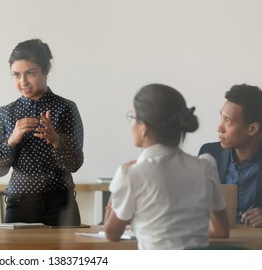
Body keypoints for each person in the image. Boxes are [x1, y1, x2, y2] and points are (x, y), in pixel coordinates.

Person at [104, 83, 229, 250]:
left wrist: (117, 191)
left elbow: (111, 234)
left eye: (132, 117)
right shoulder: (205, 166)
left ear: (143, 128)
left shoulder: (131, 174)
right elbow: (221, 230)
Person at [0, 39, 84, 226]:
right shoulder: (6, 113)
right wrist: (12, 141)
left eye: (30, 73)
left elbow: (75, 164)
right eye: (16, 75)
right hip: (19, 204)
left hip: (61, 205)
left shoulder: (66, 108)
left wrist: (56, 141)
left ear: (46, 69)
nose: (23, 82)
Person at [199, 84, 262, 228]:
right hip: (217, 244)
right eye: (221, 118)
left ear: (252, 129)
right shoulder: (209, 154)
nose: (219, 128)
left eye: (228, 121)